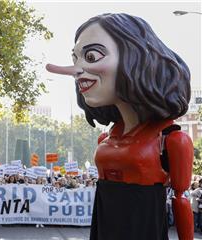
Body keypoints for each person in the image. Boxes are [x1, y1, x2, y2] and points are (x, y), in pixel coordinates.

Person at [46, 13, 193, 240]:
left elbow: (180, 197)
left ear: (135, 57)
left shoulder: (171, 139)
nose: (76, 70)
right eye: (75, 60)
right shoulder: (105, 138)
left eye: (91, 56)